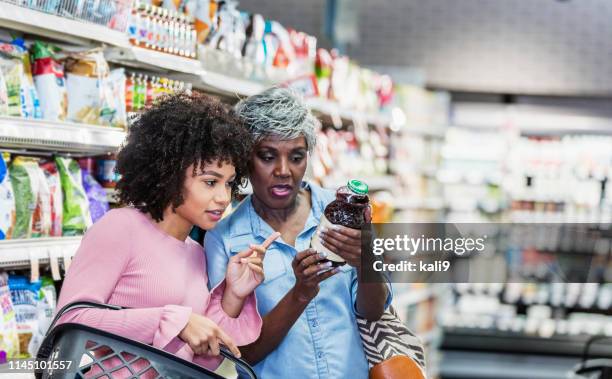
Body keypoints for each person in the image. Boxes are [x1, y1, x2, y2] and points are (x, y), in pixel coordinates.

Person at [56, 93, 278, 376]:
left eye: (229, 183)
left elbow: (201, 359)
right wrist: (175, 321)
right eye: (210, 182)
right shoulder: (120, 228)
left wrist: (233, 295)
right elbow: (70, 321)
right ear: (170, 174)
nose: (224, 197)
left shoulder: (195, 253)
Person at [205, 87, 392, 378]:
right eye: (267, 156)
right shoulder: (226, 239)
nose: (284, 170)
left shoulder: (342, 214)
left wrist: (366, 259)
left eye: (296, 157)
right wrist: (300, 293)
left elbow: (373, 311)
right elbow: (241, 353)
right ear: (244, 159)